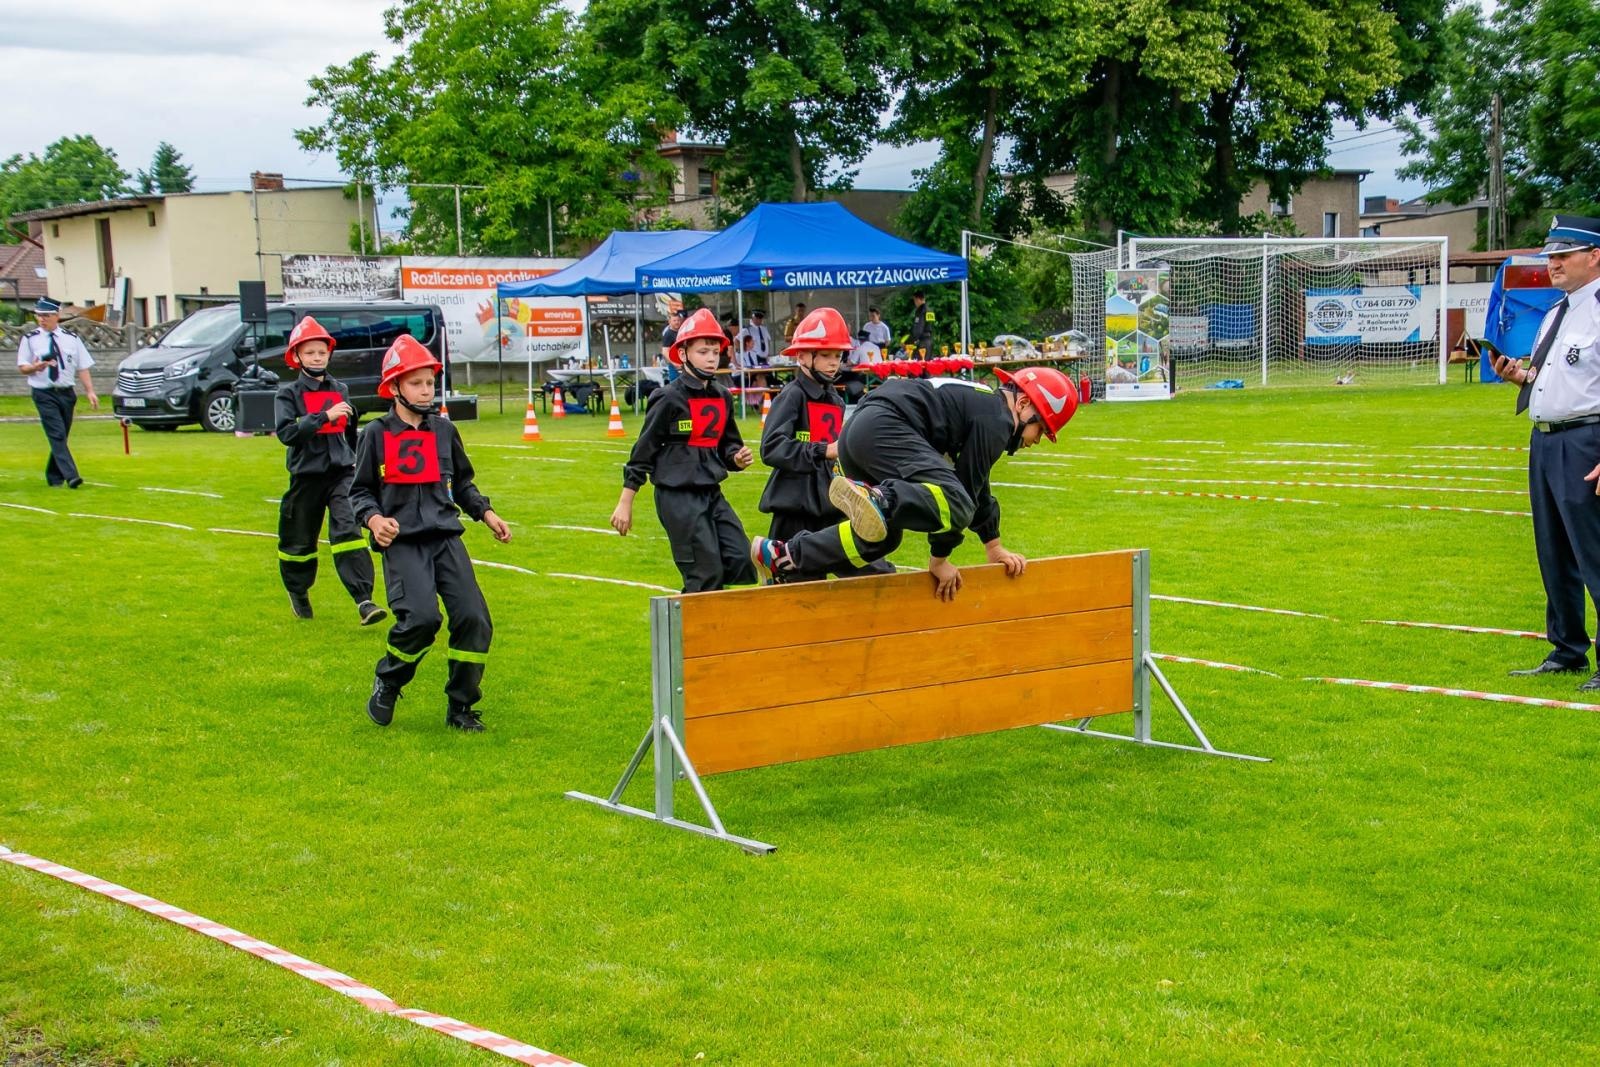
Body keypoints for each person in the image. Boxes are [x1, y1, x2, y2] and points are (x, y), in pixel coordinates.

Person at [751, 365, 1078, 599]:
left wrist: (993, 546)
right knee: (955, 501)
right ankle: (880, 497)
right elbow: (965, 494)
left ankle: (786, 555)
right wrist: (939, 560)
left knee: (880, 538)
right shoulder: (997, 419)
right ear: (1022, 406)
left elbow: (979, 489)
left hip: (858, 432)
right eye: (1042, 429)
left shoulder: (984, 409)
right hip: (884, 427)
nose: (1036, 440)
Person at [349, 335, 511, 731]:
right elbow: (359, 492)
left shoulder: (444, 431)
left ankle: (460, 707)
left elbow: (464, 483)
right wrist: (373, 520)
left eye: (429, 382)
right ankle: (388, 679)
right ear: (394, 388)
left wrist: (485, 513)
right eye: (416, 383)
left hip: (446, 539)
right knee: (421, 619)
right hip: (403, 545)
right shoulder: (374, 435)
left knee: (474, 619)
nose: (426, 390)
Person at [1490, 214, 1600, 690]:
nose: (1552, 263)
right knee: (1554, 550)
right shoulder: (1558, 311)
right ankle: (1567, 648)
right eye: (1550, 255)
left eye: (1563, 254)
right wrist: (1521, 378)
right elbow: (1557, 375)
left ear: (1594, 255)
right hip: (1547, 438)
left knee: (1593, 551)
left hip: (1586, 440)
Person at [610, 308, 757, 592]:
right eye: (703, 351)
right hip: (677, 496)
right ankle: (695, 627)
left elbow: (729, 446)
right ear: (684, 353)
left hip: (711, 492)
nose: (712, 357)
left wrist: (736, 458)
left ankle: (715, 617)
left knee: (741, 558)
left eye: (716, 351)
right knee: (705, 574)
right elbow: (643, 451)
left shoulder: (722, 396)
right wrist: (625, 502)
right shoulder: (666, 398)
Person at [757, 307, 894, 581]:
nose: (834, 362)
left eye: (838, 355)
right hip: (795, 508)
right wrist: (823, 450)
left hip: (832, 502)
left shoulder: (836, 400)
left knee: (874, 569)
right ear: (803, 356)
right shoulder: (791, 396)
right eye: (827, 355)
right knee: (797, 590)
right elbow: (771, 447)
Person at [273, 315, 385, 624]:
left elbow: (349, 431)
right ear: (297, 357)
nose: (317, 358)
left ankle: (364, 600)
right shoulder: (287, 394)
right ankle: (298, 591)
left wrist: (356, 457)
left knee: (348, 531)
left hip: (341, 475)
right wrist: (323, 416)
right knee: (298, 542)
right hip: (306, 477)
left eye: (322, 352)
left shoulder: (341, 389)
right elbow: (287, 434)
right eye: (310, 353)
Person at [15, 297, 97, 488]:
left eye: (46, 315)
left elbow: (82, 367)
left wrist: (90, 391)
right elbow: (23, 367)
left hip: (66, 393)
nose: (42, 319)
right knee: (57, 434)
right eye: (39, 316)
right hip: (44, 393)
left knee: (62, 435)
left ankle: (54, 476)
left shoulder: (71, 339)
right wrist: (35, 367)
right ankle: (71, 475)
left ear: (56, 316)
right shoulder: (30, 339)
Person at [907, 292, 935, 358]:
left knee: (921, 365)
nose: (915, 303)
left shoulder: (921, 311)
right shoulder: (930, 310)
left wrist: (910, 341)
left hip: (922, 342)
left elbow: (918, 330)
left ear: (918, 299)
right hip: (930, 341)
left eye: (914, 300)